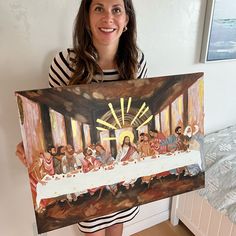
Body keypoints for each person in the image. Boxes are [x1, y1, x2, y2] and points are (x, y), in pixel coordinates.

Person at [16, 0, 147, 235]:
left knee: (118, 223)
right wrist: (32, 145)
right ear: (86, 17)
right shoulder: (64, 64)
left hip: (124, 170)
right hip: (88, 173)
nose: (108, 17)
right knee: (92, 227)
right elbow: (53, 122)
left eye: (116, 9)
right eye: (99, 8)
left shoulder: (137, 62)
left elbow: (139, 118)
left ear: (126, 19)